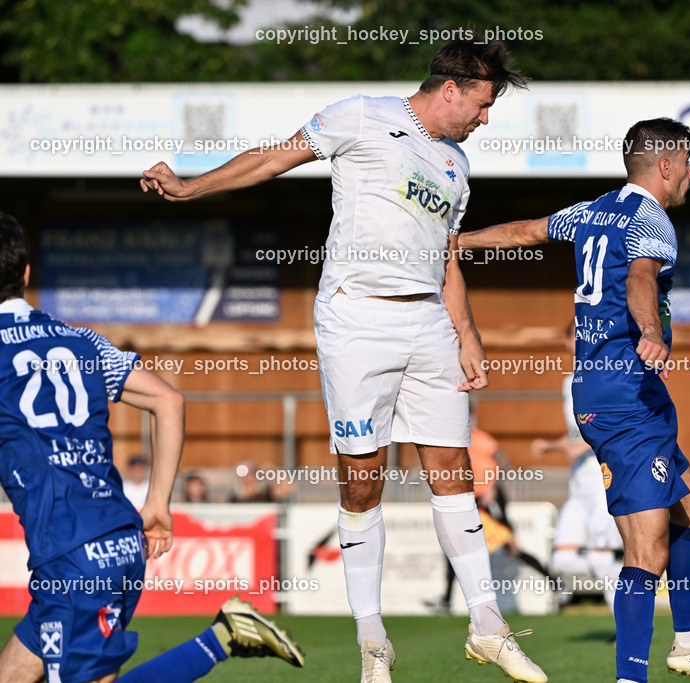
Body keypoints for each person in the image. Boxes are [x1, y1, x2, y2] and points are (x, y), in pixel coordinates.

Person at [139, 37, 545, 683]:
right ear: (452, 88)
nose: (485, 118)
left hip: (429, 322)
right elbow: (273, 158)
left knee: (453, 470)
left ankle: (488, 625)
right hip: (358, 317)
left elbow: (446, 257)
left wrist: (466, 332)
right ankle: (372, 640)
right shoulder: (359, 113)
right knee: (362, 480)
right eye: (484, 103)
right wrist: (191, 187)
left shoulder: (456, 164)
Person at [458, 118, 690, 683]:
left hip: (627, 393)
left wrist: (459, 242)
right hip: (623, 399)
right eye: (687, 162)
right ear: (665, 166)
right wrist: (651, 332)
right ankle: (629, 678)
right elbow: (641, 277)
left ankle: (688, 642)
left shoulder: (593, 210)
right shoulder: (651, 218)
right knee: (647, 552)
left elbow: (525, 233)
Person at [0, 212, 304, 683]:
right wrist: (157, 503)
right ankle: (225, 636)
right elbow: (168, 399)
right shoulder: (81, 340)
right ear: (25, 274)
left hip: (71, 556)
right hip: (119, 537)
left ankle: (221, 639)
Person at [533, 323, 622, 614]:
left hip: (601, 480)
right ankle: (631, 577)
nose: (578, 341)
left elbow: (608, 425)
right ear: (567, 342)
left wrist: (581, 446)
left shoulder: (603, 378)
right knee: (562, 559)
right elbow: (577, 432)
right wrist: (553, 445)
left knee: (599, 557)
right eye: (573, 336)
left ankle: (625, 623)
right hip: (579, 485)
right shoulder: (568, 382)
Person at [427, 427, 554, 612]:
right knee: (455, 545)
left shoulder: (479, 437)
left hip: (489, 498)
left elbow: (503, 461)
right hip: (470, 499)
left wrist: (492, 487)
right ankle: (447, 600)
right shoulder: (452, 438)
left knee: (512, 548)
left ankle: (557, 585)